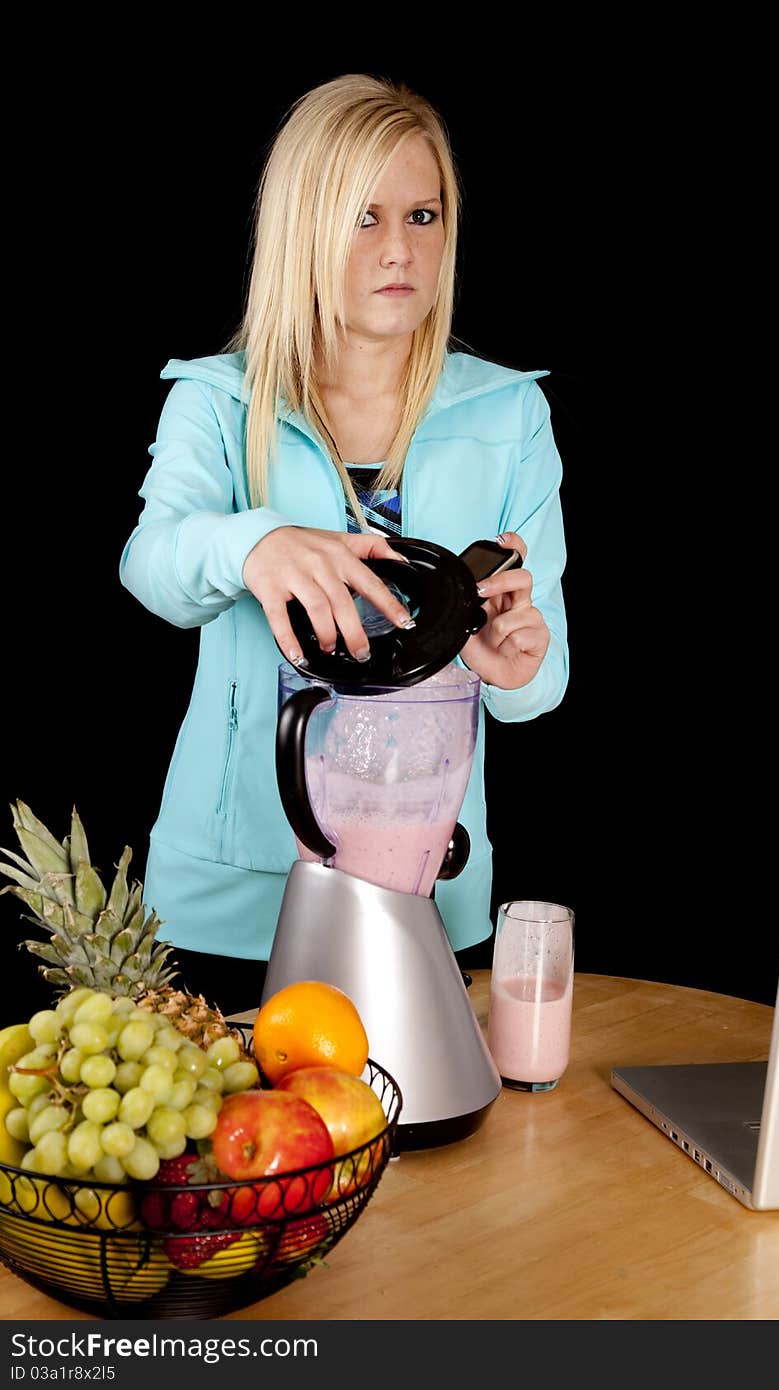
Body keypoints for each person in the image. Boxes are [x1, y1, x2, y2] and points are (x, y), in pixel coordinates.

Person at [120, 73, 569, 1015]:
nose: (400, 250)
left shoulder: (510, 412)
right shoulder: (219, 399)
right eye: (363, 217)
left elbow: (543, 677)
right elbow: (152, 564)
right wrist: (257, 543)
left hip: (427, 887)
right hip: (231, 900)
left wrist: (516, 667)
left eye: (422, 214)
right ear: (303, 227)